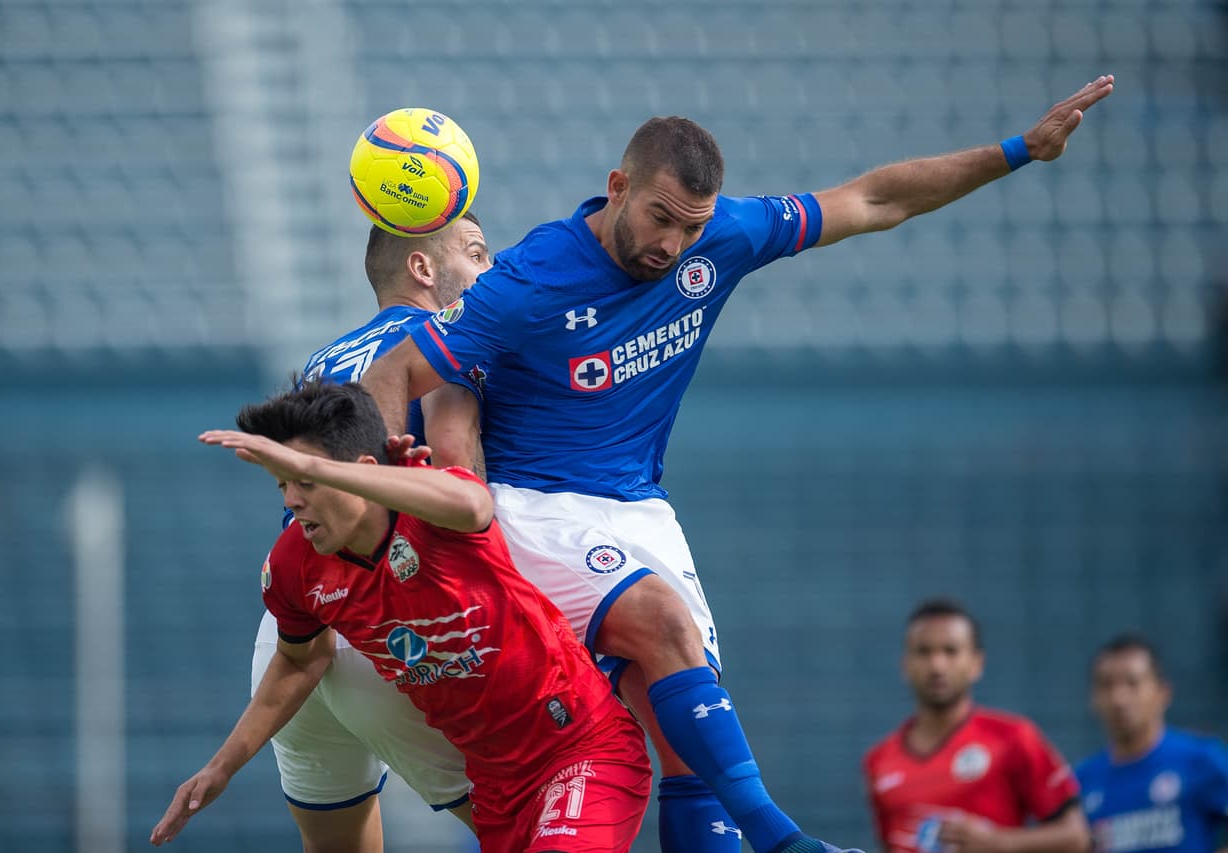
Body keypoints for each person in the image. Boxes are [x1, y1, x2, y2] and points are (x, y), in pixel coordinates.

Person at [360, 77, 1115, 853]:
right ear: (617, 188)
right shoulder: (531, 278)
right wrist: (391, 527)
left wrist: (1020, 151)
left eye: (690, 228)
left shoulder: (719, 237)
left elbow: (873, 201)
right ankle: (785, 841)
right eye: (659, 218)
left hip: (639, 507)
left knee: (690, 743)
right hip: (536, 503)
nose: (672, 246)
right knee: (663, 625)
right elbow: (393, 374)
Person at [156, 381, 651, 851]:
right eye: (282, 482)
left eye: (304, 479)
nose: (290, 500)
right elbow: (298, 660)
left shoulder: (432, 505)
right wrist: (221, 767)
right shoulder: (294, 565)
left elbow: (473, 501)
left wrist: (332, 470)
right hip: (496, 784)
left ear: (365, 470)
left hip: (581, 747)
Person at [152, 215, 492, 852]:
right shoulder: (451, 346)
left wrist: (221, 765)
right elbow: (466, 489)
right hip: (392, 628)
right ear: (423, 270)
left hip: (295, 629)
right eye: (476, 255)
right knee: (532, 832)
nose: (489, 273)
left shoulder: (323, 362)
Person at [862, 598, 1090, 853]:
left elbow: (1077, 837)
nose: (937, 665)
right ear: (905, 665)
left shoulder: (1013, 738)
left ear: (976, 663)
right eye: (924, 652)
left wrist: (999, 843)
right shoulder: (879, 761)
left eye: (951, 651)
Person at [1076, 633, 1228, 853]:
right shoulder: (1083, 781)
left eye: (1133, 683)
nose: (1119, 698)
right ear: (1092, 698)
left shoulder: (1201, 759)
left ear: (1162, 693)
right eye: (1107, 685)